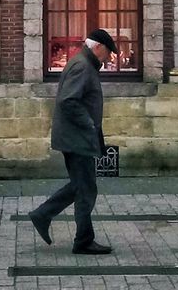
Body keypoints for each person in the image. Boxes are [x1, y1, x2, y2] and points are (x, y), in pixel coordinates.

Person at [28, 28, 116, 255]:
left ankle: (53, 221)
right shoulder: (82, 66)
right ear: (98, 47)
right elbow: (69, 101)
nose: (108, 57)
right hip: (77, 138)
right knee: (85, 188)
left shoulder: (84, 64)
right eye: (107, 52)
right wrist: (88, 124)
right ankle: (68, 231)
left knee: (82, 186)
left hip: (78, 136)